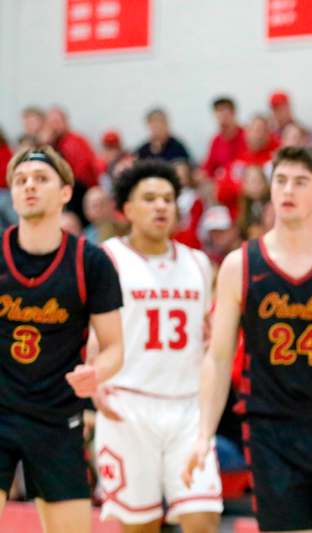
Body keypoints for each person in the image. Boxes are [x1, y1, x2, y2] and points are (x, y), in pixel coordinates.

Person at [183, 146, 312, 533]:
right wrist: (203, 433)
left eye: (301, 182)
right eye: (281, 180)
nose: (288, 190)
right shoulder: (240, 264)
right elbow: (218, 358)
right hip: (270, 428)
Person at [0, 146, 124, 532]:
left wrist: (96, 371)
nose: (29, 186)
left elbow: (115, 347)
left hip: (56, 417)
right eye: (20, 181)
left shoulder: (92, 261)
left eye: (40, 179)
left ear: (66, 191)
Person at [94, 160, 221, 531]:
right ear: (127, 209)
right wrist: (93, 380)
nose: (161, 206)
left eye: (168, 198)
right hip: (127, 405)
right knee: (141, 526)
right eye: (149, 198)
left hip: (187, 408)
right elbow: (89, 331)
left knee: (203, 519)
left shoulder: (199, 263)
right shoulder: (107, 259)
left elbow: (210, 337)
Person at [202, 96, 246, 180]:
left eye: (225, 112)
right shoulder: (216, 140)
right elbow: (208, 168)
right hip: (220, 185)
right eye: (218, 112)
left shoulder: (246, 136)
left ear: (233, 113)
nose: (222, 117)